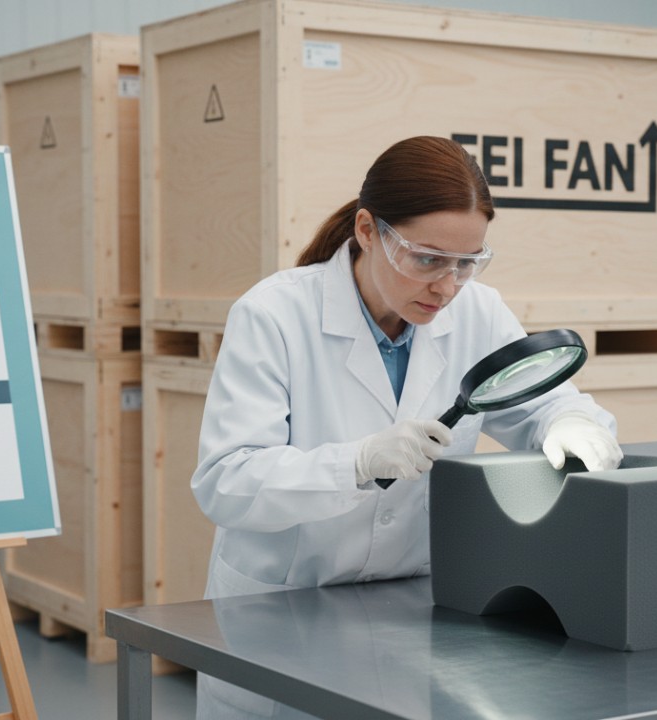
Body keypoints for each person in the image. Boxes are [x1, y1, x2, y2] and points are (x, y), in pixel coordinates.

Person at [191, 135, 621, 718]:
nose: (447, 286)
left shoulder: (477, 312)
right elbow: (227, 481)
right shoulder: (274, 315)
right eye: (427, 259)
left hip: (410, 614)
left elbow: (538, 402)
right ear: (368, 230)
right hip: (284, 608)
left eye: (467, 263)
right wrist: (357, 463)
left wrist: (570, 421)